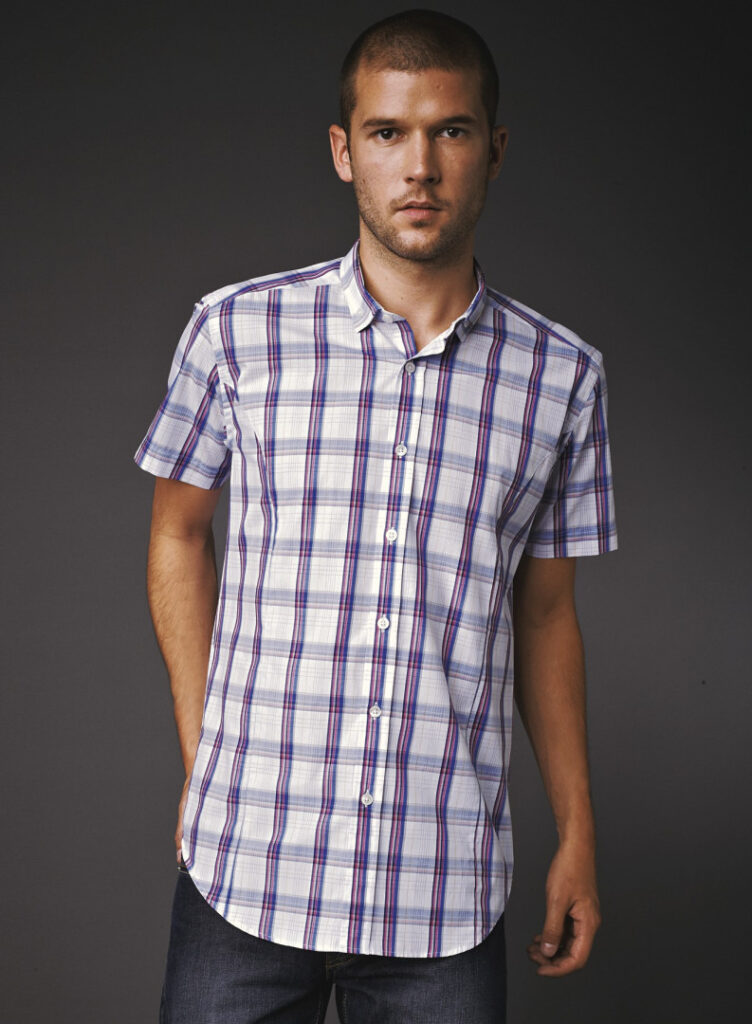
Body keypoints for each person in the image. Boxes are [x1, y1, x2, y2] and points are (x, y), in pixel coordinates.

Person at [134, 9, 618, 1023]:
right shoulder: (235, 332)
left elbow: (544, 615)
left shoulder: (562, 377)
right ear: (343, 151)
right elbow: (177, 534)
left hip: (442, 895)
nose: (420, 167)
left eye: (450, 131)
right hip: (246, 871)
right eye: (388, 132)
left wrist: (577, 832)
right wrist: (203, 758)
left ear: (494, 149)